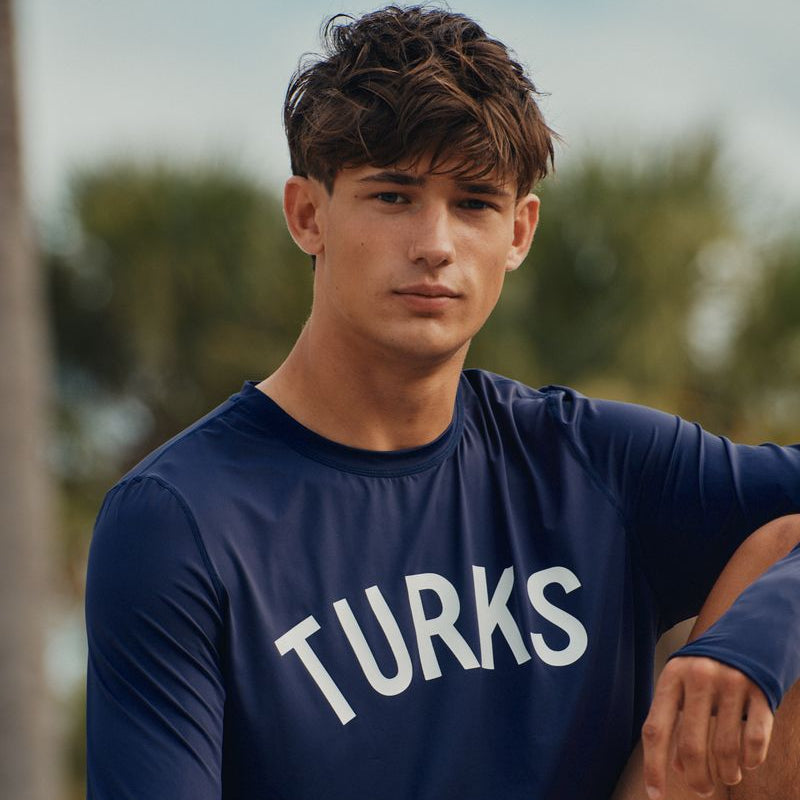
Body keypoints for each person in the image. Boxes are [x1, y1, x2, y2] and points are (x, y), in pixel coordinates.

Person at [84, 6, 800, 799]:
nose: (436, 243)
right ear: (307, 214)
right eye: (393, 197)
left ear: (520, 232)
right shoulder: (180, 517)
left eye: (475, 204)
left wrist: (755, 638)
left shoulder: (593, 462)